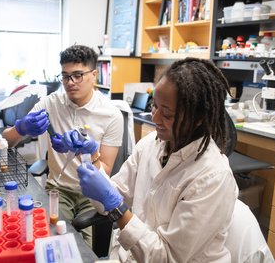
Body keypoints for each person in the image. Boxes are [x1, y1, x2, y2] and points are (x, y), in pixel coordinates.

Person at [77, 58, 239, 262]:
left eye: (168, 114)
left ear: (198, 119)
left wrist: (116, 207)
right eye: (155, 105)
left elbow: (167, 257)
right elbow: (110, 200)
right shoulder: (150, 145)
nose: (155, 118)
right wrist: (92, 159)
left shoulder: (213, 177)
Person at [2, 45, 123, 246]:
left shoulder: (111, 115)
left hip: (92, 194)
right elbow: (5, 142)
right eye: (65, 76)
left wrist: (85, 153)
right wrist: (22, 128)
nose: (70, 82)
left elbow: (106, 171)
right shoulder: (51, 103)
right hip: (58, 189)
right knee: (51, 242)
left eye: (77, 75)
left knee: (83, 250)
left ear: (94, 76)